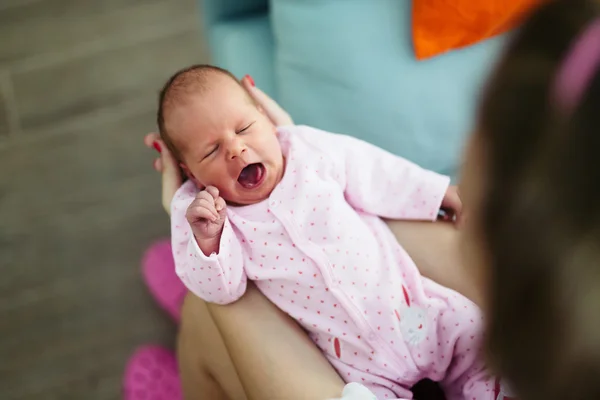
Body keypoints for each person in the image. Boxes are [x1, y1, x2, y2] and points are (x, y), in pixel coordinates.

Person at [128, 1, 600, 398]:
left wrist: (434, 191)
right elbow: (224, 282)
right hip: (353, 360)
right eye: (212, 151)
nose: (235, 148)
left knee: (208, 314)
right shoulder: (223, 216)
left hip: (416, 314)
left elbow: (378, 174)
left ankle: (203, 368)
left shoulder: (310, 152)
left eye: (246, 128)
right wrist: (204, 242)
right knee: (206, 303)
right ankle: (200, 345)